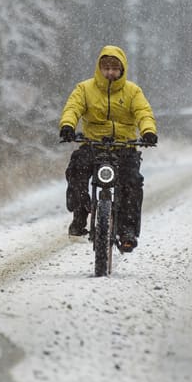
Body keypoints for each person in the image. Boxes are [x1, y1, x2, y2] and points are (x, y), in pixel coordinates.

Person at [58, 45, 157, 252]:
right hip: (93, 144)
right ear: (99, 68)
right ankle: (80, 215)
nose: (110, 72)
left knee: (132, 183)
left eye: (115, 68)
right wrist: (67, 126)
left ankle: (127, 230)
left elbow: (143, 112)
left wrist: (148, 131)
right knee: (76, 171)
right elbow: (73, 108)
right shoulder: (84, 89)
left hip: (125, 146)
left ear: (122, 70)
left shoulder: (133, 91)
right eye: (106, 68)